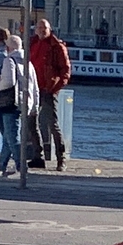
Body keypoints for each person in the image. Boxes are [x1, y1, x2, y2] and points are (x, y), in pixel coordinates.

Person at [0, 27, 37, 177]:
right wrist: (34, 105)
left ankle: (21, 168)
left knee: (12, 137)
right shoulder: (29, 63)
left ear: (8, 47)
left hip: (10, 104)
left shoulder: (9, 60)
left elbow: (7, 83)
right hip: (25, 104)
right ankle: (1, 166)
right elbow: (35, 86)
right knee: (8, 137)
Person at [27, 18, 71, 169]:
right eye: (39, 28)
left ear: (49, 29)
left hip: (48, 90)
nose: (41, 30)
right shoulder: (31, 43)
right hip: (33, 89)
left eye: (44, 28)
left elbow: (65, 71)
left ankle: (61, 159)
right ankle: (38, 156)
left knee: (53, 124)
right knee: (31, 123)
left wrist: (55, 87)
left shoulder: (57, 46)